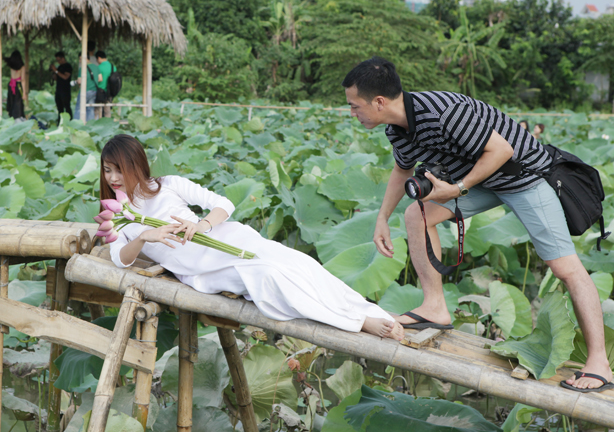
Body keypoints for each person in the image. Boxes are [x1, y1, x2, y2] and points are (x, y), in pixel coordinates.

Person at [342, 56, 613, 392]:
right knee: (417, 214)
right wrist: (381, 219)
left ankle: (599, 363)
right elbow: (402, 170)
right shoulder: (396, 129)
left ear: (379, 102)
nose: (352, 113)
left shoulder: (442, 112)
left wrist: (456, 189)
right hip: (481, 180)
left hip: (522, 176)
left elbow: (501, 151)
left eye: (354, 106)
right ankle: (435, 307)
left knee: (565, 268)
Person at [101, 135, 404, 341]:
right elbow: (119, 259)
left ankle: (369, 310)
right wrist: (145, 237)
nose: (113, 178)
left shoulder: (169, 184)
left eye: (119, 170)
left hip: (225, 238)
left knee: (299, 262)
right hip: (202, 267)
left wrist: (204, 225)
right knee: (270, 275)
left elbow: (224, 204)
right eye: (107, 171)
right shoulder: (117, 214)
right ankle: (359, 323)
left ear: (137, 166)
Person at [73, 54, 100, 122]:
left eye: (80, 59)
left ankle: (76, 125)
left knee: (79, 109)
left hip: (84, 91)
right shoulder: (96, 67)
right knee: (90, 109)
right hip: (94, 91)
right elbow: (100, 79)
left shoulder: (82, 68)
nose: (79, 61)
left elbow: (79, 81)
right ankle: (89, 126)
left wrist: (77, 82)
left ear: (84, 58)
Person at [50, 51, 73, 125]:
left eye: (59, 60)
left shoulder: (68, 66)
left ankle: (70, 121)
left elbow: (65, 77)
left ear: (63, 58)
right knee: (60, 108)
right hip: (58, 90)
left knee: (67, 107)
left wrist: (56, 71)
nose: (58, 62)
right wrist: (54, 72)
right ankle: (60, 122)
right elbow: (56, 78)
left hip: (65, 90)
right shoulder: (59, 67)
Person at [3, 50, 25, 119]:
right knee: (18, 102)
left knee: (11, 101)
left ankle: (11, 117)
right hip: (18, 85)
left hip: (11, 84)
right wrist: (24, 93)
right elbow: (23, 80)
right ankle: (18, 117)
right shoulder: (22, 67)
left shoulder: (11, 65)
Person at [95, 50, 113, 119]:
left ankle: (95, 125)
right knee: (107, 111)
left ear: (99, 58)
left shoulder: (98, 67)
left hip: (100, 92)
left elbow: (98, 79)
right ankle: (108, 125)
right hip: (109, 92)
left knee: (97, 110)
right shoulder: (112, 67)